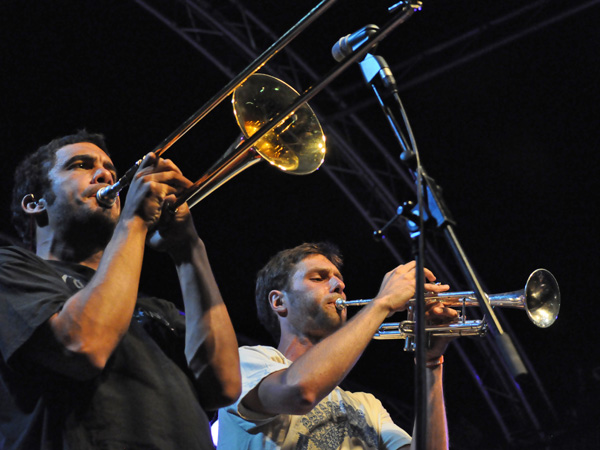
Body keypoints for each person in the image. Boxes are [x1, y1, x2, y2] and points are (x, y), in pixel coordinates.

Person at [0, 130, 241, 449]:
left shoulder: (156, 308)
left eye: (110, 170)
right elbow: (82, 346)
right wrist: (135, 222)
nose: (105, 174)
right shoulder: (9, 267)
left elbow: (223, 386)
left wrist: (189, 250)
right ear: (35, 203)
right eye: (81, 165)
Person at [218, 242, 457, 449]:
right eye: (319, 278)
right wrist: (382, 303)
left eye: (339, 280)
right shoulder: (247, 361)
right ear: (279, 301)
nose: (338, 285)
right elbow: (300, 392)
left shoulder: (368, 406)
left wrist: (430, 364)